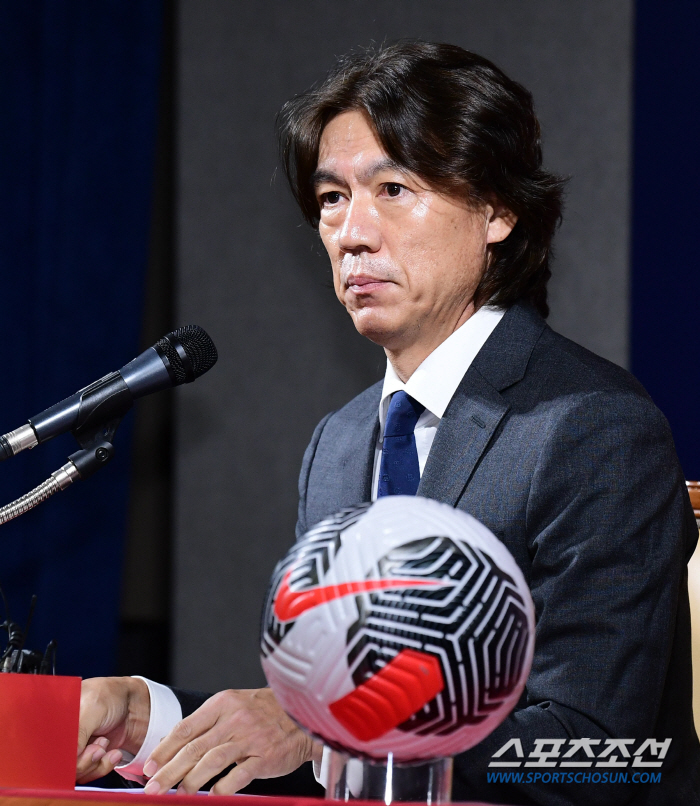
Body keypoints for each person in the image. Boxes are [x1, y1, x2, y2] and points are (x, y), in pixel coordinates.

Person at [75, 42, 700, 805]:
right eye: (332, 197)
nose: (351, 233)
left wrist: (330, 727)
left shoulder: (593, 429)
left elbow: (596, 755)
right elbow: (311, 728)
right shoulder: (338, 447)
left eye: (394, 189)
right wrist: (155, 720)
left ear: (498, 210)